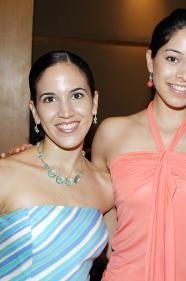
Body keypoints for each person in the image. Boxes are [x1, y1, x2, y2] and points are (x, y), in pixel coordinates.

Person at [92, 8, 186, 281]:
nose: (184, 75)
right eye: (173, 58)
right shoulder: (111, 133)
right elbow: (97, 216)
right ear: (151, 60)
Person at [0, 51, 114, 280]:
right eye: (50, 99)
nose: (66, 112)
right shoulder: (6, 175)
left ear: (95, 102)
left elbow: (126, 260)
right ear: (35, 111)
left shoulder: (107, 187)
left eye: (77, 95)